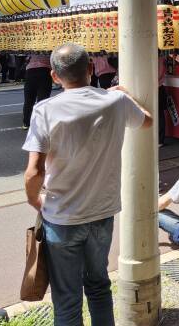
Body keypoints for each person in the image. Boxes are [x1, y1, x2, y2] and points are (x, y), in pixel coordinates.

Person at [23, 43, 152, 326]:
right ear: (91, 70)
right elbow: (148, 122)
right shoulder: (115, 102)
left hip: (62, 217)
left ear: (54, 76)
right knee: (98, 286)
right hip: (102, 213)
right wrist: (125, 94)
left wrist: (35, 201)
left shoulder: (45, 110)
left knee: (67, 298)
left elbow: (34, 172)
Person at [22, 54, 53, 130]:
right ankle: (41, 123)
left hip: (30, 72)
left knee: (29, 100)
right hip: (44, 72)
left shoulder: (32, 50)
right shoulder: (49, 50)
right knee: (42, 100)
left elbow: (27, 59)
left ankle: (26, 122)